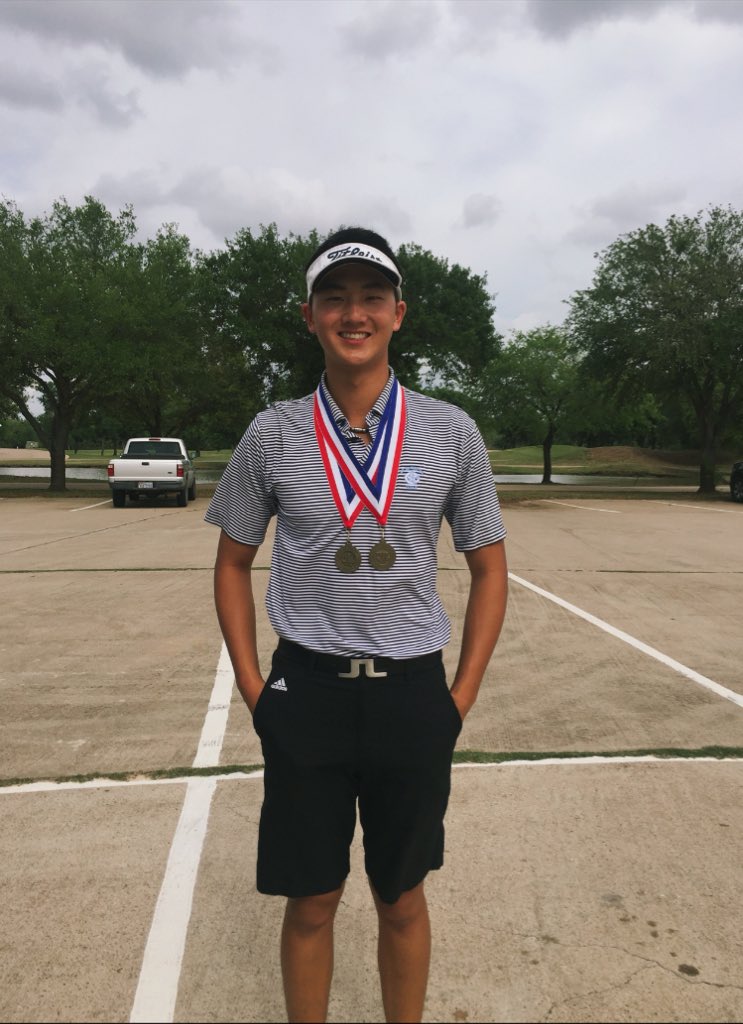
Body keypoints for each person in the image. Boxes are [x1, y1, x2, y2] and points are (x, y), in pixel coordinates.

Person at [205, 227, 508, 1023]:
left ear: (398, 313)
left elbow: (489, 567)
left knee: (400, 897)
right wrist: (254, 691)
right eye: (333, 297)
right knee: (310, 901)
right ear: (308, 316)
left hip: (413, 697)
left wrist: (458, 697)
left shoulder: (449, 430)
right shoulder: (271, 433)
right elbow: (231, 563)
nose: (353, 313)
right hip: (305, 693)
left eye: (370, 297)